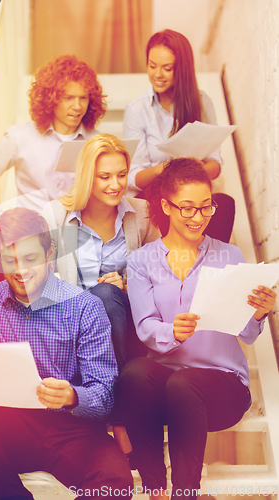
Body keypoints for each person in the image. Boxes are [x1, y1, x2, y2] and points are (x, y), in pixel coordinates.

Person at [0, 207, 133, 500]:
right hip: (9, 430)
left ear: (50, 252)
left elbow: (105, 395)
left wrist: (72, 396)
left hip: (72, 431)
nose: (20, 270)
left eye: (30, 259)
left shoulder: (85, 308)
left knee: (115, 484)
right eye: (10, 260)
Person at [117, 158, 276, 500]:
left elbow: (246, 334)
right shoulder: (143, 260)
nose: (198, 217)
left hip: (222, 388)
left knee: (184, 382)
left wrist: (259, 314)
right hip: (166, 388)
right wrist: (173, 332)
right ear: (166, 206)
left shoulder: (230, 255)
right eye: (187, 208)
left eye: (206, 207)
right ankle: (156, 488)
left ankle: (185, 493)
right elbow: (145, 328)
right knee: (134, 373)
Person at [41, 133, 160, 370]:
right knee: (97, 296)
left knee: (106, 293)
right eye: (104, 177)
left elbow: (161, 276)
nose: (116, 185)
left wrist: (127, 285)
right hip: (73, 320)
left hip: (125, 320)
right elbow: (42, 281)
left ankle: (114, 381)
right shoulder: (54, 215)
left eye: (122, 175)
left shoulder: (142, 214)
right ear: (87, 176)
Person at [123, 29, 235, 243]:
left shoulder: (202, 102)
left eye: (167, 68)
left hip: (193, 194)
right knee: (174, 210)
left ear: (181, 69)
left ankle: (205, 270)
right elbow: (134, 178)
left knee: (224, 204)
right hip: (156, 197)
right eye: (152, 65)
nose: (157, 74)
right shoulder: (137, 110)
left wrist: (195, 168)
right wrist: (167, 169)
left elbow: (215, 164)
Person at [0, 54, 107, 215]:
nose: (77, 106)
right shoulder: (19, 138)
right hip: (31, 231)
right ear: (51, 98)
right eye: (68, 98)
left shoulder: (97, 142)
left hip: (79, 232)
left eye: (83, 98)